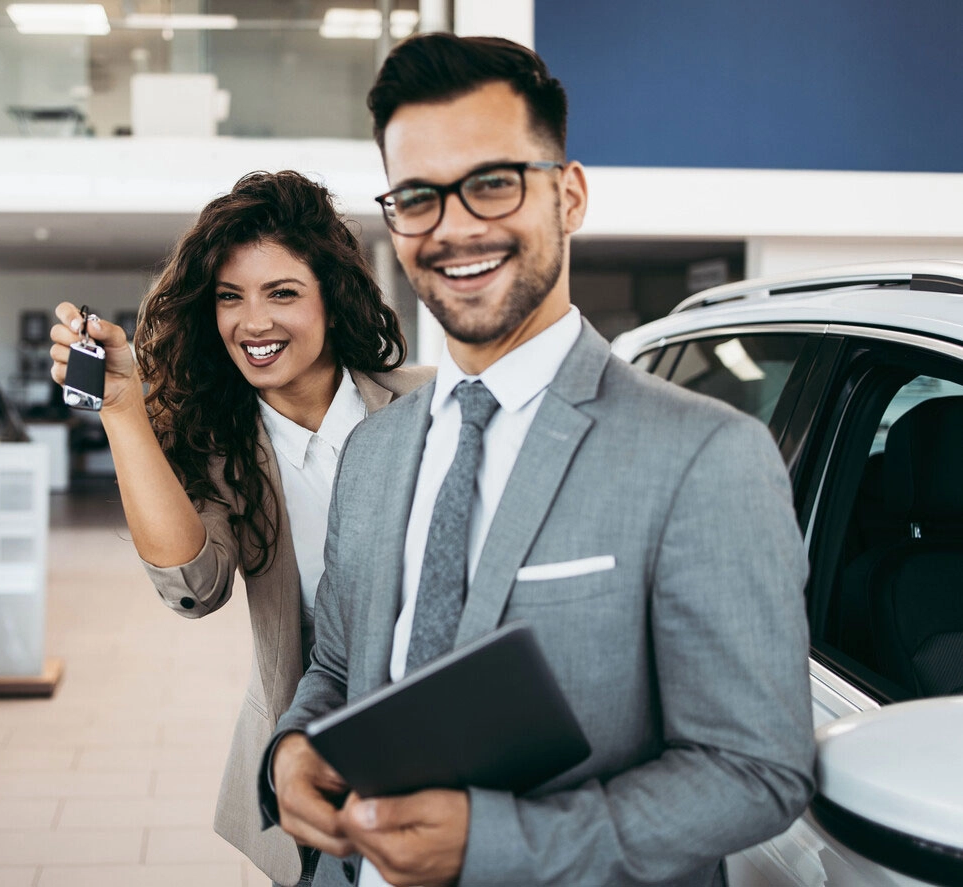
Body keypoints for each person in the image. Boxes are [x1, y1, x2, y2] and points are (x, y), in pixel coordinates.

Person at [260, 34, 815, 887]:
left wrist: (496, 840)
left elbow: (754, 771)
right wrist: (293, 750)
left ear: (570, 195)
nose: (454, 228)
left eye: (492, 183)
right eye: (418, 197)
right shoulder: (373, 450)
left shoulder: (705, 456)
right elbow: (338, 666)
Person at [48, 170, 433, 886]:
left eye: (282, 292)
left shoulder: (429, 406)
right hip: (316, 760)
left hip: (445, 740)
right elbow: (194, 585)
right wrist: (122, 407)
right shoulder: (221, 449)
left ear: (331, 296)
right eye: (231, 297)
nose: (252, 323)